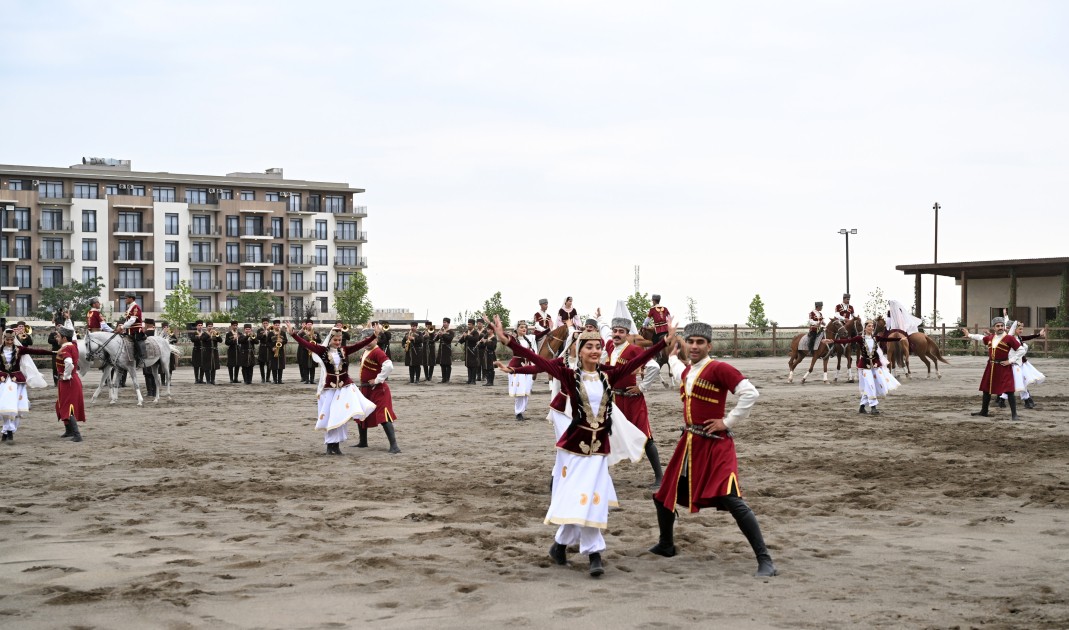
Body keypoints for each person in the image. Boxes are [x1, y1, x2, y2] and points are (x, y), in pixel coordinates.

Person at [491, 314, 674, 578]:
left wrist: (662, 343)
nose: (595, 351)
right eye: (589, 347)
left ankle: (563, 546)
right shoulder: (568, 375)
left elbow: (639, 360)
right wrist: (508, 341)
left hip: (599, 449)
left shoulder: (609, 374)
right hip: (574, 448)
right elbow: (539, 361)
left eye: (598, 346)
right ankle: (591, 553)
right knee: (584, 496)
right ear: (580, 350)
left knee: (590, 497)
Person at [647, 322, 776, 577]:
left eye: (700, 342)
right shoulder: (688, 370)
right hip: (690, 443)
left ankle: (765, 559)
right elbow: (678, 369)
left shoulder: (719, 368)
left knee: (731, 498)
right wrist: (672, 353)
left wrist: (727, 422)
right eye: (691, 342)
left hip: (716, 445)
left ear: (709, 346)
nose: (694, 346)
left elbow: (750, 393)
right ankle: (666, 544)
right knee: (663, 495)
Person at [287, 322, 380, 454]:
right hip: (329, 390)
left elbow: (359, 345)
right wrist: (293, 334)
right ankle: (330, 446)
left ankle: (336, 446)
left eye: (339, 340)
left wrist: (374, 335)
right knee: (331, 416)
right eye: (335, 340)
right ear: (330, 339)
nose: (337, 342)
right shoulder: (322, 351)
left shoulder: (344, 350)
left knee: (340, 416)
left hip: (344, 388)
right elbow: (306, 344)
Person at [604, 316, 663, 488]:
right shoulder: (610, 347)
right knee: (607, 435)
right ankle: (602, 476)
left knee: (645, 436)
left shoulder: (634, 350)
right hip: (615, 400)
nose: (617, 334)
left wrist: (642, 387)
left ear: (627, 334)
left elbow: (654, 367)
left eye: (621, 332)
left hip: (632, 401)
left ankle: (660, 477)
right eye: (615, 331)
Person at [823, 320, 899, 414]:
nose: (871, 328)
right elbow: (847, 340)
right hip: (864, 366)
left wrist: (900, 339)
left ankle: (862, 407)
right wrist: (833, 341)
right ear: (865, 328)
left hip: (875, 366)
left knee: (870, 386)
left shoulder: (875, 338)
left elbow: (887, 339)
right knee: (870, 384)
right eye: (869, 326)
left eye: (872, 326)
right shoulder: (860, 338)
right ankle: (873, 407)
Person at [24, 327, 84, 442]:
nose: (56, 338)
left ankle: (77, 434)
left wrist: (66, 376)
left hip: (68, 381)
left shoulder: (66, 349)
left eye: (58, 336)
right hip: (72, 381)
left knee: (68, 406)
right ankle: (69, 431)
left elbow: (69, 363)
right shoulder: (73, 345)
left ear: (64, 338)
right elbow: (73, 337)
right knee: (61, 404)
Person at [963, 317, 1026, 420]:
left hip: (1003, 367)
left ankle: (1014, 415)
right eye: (998, 326)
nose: (1000, 327)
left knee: (1009, 390)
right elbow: (981, 337)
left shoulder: (1009, 338)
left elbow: (1021, 350)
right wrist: (969, 335)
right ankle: (984, 411)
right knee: (986, 389)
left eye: (1002, 326)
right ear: (994, 328)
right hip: (991, 366)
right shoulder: (990, 338)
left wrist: (1010, 361)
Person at [0, 327, 49, 444]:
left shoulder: (19, 349)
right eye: (7, 340)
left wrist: (53, 352)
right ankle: (7, 431)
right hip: (3, 381)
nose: (10, 342)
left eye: (11, 339)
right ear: (4, 339)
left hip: (16, 381)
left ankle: (9, 431)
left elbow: (36, 351)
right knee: (5, 406)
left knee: (14, 407)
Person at [356, 329, 401, 453]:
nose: (366, 342)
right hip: (365, 389)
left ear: (375, 339)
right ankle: (363, 442)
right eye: (364, 339)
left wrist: (377, 380)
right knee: (361, 414)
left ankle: (394, 446)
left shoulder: (377, 352)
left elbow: (389, 365)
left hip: (379, 390)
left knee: (384, 415)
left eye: (369, 339)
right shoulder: (366, 351)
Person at [999, 321, 1047, 410]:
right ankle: (1026, 401)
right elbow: (1012, 329)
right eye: (1020, 329)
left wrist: (1038, 335)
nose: (1021, 331)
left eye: (1022, 329)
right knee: (1018, 382)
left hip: (1020, 363)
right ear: (1014, 329)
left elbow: (1027, 337)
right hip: (1013, 364)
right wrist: (1015, 322)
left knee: (1019, 382)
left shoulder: (1018, 337)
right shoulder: (1010, 337)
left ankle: (1003, 400)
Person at [496, 321, 536, 420]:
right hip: (517, 367)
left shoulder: (528, 340)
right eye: (521, 327)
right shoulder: (513, 339)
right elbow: (503, 336)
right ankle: (518, 413)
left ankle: (522, 411)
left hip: (527, 367)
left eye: (525, 327)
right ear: (516, 329)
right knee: (520, 391)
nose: (524, 329)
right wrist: (498, 326)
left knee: (526, 390)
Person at [117, 293, 145, 366]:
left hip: (136, 330)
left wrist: (122, 327)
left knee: (136, 342)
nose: (125, 300)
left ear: (131, 298)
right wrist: (122, 326)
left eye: (126, 298)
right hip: (129, 330)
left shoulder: (136, 307)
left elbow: (132, 320)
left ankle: (140, 357)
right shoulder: (130, 307)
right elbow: (127, 320)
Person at [295, 319, 321, 384]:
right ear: (306, 325)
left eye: (311, 324)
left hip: (313, 351)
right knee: (305, 365)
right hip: (305, 350)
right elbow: (298, 340)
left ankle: (312, 380)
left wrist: (315, 338)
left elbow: (319, 341)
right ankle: (306, 380)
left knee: (312, 366)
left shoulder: (315, 332)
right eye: (308, 324)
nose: (309, 325)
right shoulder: (303, 333)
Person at [458, 319, 481, 384]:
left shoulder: (475, 332)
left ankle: (473, 380)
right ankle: (469, 379)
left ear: (473, 325)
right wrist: (461, 338)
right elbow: (462, 341)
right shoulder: (466, 332)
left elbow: (476, 339)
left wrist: (467, 336)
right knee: (469, 365)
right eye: (468, 324)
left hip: (473, 351)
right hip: (468, 351)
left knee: (473, 366)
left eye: (470, 324)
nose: (468, 325)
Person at [434, 318, 454, 383]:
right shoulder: (441, 331)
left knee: (448, 364)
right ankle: (443, 378)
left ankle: (447, 379)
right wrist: (436, 335)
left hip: (447, 349)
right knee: (442, 364)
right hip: (441, 349)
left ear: (448, 323)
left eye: (445, 322)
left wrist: (443, 334)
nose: (444, 323)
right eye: (443, 322)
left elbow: (449, 339)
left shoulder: (451, 332)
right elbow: (435, 339)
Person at [255, 317, 271, 383]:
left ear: (268, 323)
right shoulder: (259, 330)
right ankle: (263, 378)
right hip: (262, 347)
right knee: (261, 363)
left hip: (269, 348)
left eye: (266, 323)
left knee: (269, 363)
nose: (265, 324)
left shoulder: (271, 329)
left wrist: (268, 332)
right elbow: (258, 337)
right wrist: (264, 334)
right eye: (264, 323)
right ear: (262, 324)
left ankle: (268, 378)